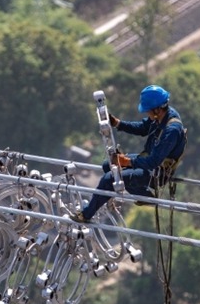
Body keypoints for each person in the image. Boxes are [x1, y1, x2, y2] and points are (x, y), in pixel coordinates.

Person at [72, 85, 187, 223]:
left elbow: (154, 161)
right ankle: (143, 195)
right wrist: (118, 124)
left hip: (157, 172)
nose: (147, 114)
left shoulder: (171, 130)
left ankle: (86, 215)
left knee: (109, 179)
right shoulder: (161, 115)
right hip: (148, 160)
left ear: (156, 109)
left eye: (147, 111)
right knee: (108, 166)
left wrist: (127, 162)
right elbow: (143, 128)